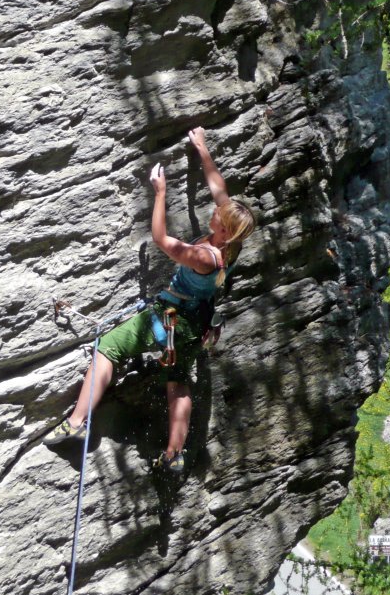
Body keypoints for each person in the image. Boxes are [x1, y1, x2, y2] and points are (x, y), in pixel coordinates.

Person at [44, 127, 256, 474]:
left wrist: (160, 193)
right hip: (193, 326)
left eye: (219, 214)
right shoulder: (231, 246)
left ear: (222, 228)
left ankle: (77, 422)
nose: (215, 209)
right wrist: (202, 149)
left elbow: (161, 238)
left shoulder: (204, 257)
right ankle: (175, 453)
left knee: (108, 348)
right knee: (178, 382)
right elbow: (219, 188)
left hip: (166, 320)